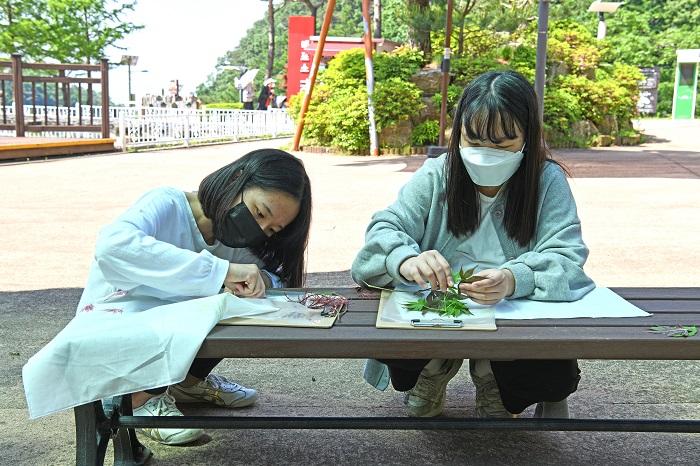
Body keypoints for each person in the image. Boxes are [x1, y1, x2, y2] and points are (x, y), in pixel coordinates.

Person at [351, 70, 594, 419]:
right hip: (438, 311)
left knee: (550, 372)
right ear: (457, 134)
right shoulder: (438, 173)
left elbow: (568, 257)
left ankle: (492, 375)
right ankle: (432, 371)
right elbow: (384, 230)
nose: (486, 154)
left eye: (503, 145)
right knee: (398, 335)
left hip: (511, 314)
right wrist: (405, 260)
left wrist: (514, 279)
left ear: (528, 137)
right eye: (474, 141)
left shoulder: (546, 180)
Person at [76, 148, 312, 444]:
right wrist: (221, 272)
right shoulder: (168, 203)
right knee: (196, 305)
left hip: (170, 335)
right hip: (118, 322)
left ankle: (187, 382)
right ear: (238, 179)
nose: (261, 230)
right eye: (260, 213)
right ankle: (138, 398)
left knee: (242, 304)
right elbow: (113, 246)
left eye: (272, 228)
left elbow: (274, 277)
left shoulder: (240, 242)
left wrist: (259, 279)